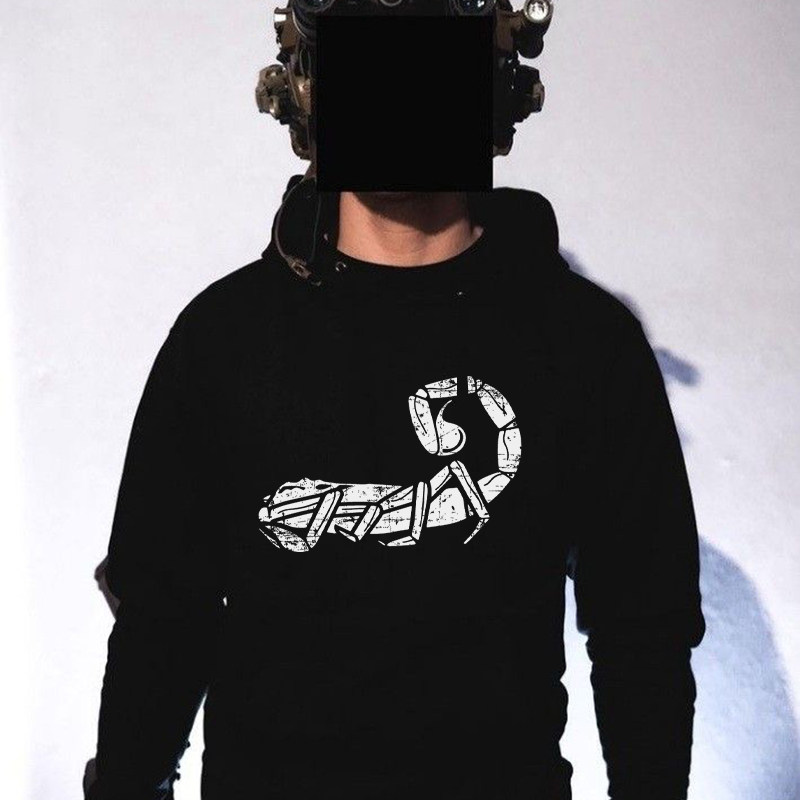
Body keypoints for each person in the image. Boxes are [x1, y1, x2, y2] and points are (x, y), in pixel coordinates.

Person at [87, 1, 706, 798]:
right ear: (308, 84)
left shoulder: (585, 345)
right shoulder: (223, 339)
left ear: (491, 81)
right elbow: (162, 624)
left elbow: (643, 634)